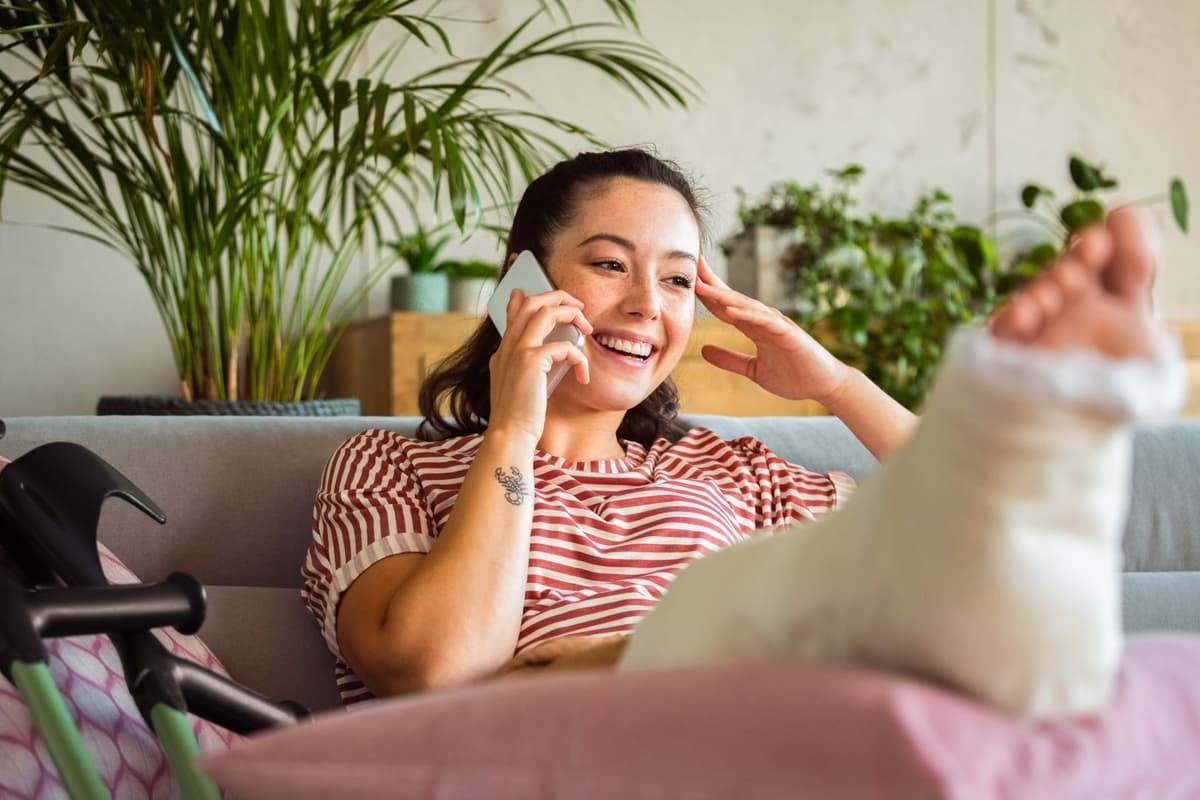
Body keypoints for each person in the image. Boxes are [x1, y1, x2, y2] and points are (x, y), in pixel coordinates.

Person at [301, 148, 1183, 719]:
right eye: (610, 264)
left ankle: (1035, 422)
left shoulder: (731, 472)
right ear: (520, 283)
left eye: (678, 280)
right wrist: (513, 430)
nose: (648, 304)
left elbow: (975, 527)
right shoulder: (388, 466)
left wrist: (835, 384)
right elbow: (431, 670)